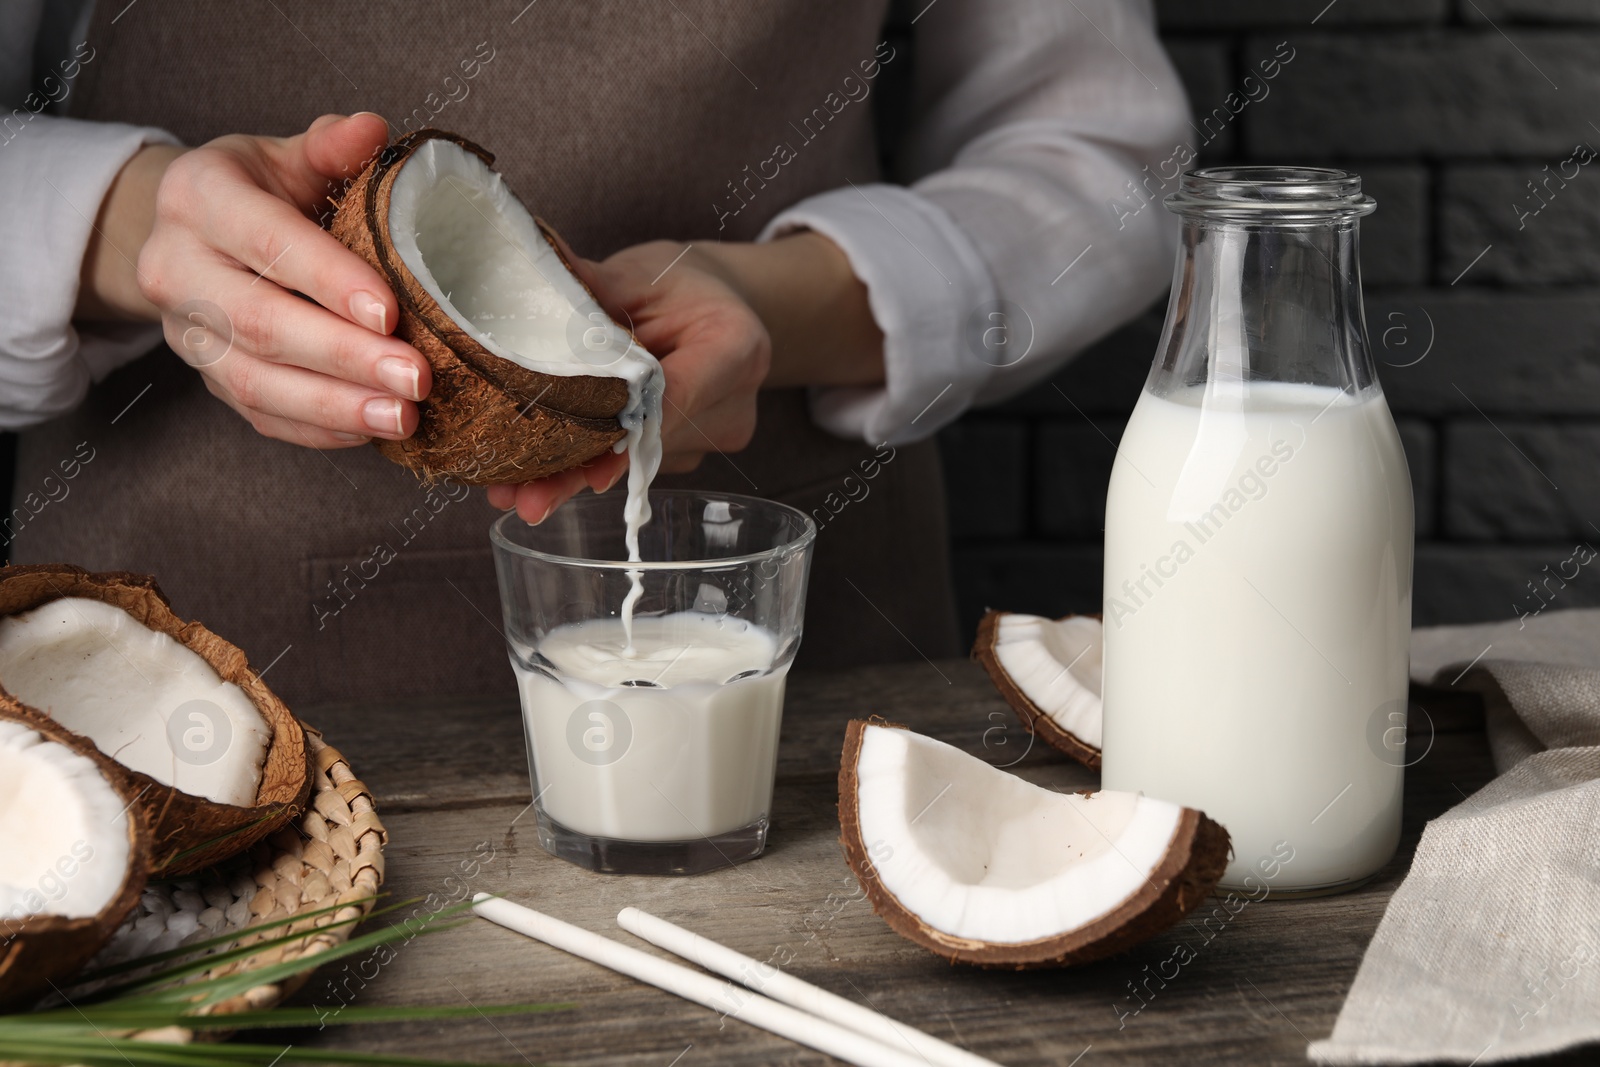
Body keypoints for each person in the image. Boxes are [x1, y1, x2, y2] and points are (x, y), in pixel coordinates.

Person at [0, 0, 1188, 706]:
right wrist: (146, 224)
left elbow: (1104, 158)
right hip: (180, 651)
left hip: (812, 645)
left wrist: (784, 300)